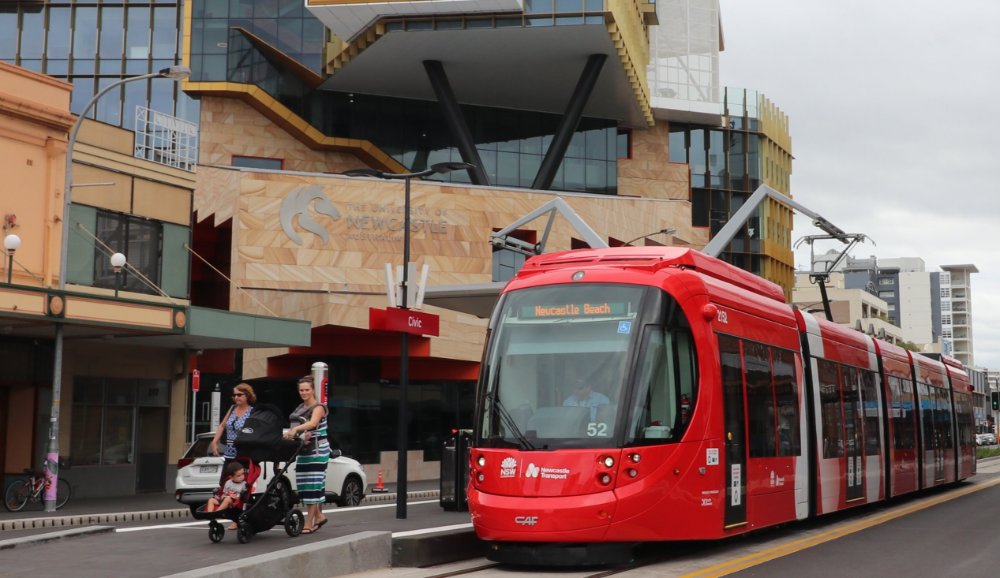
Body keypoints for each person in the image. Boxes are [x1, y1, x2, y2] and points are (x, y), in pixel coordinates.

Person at [283, 375, 330, 534]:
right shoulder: (299, 407)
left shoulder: (319, 407)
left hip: (317, 451)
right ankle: (319, 516)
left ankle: (309, 522)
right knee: (303, 487)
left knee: (313, 486)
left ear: (313, 391)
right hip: (302, 450)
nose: (304, 393)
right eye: (301, 390)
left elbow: (312, 423)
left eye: (307, 390)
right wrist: (289, 434)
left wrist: (295, 429)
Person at [209, 383, 256, 461]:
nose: (236, 397)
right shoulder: (233, 408)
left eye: (239, 395)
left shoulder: (253, 411)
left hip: (244, 455)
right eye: (235, 395)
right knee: (227, 473)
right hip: (228, 454)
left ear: (247, 395)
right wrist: (214, 442)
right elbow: (222, 426)